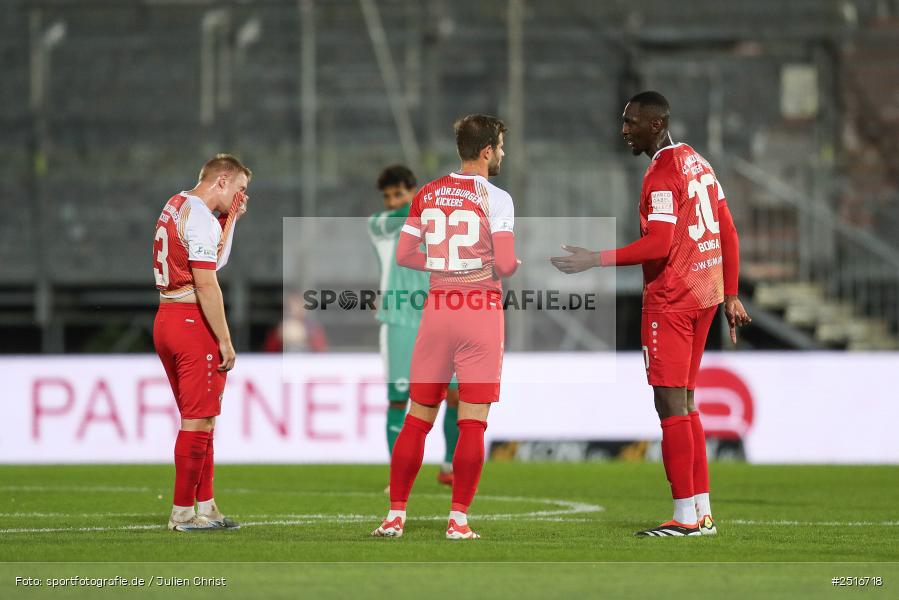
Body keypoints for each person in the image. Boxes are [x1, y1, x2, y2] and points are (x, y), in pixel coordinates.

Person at [550, 92, 751, 537]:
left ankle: (684, 518)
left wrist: (595, 259)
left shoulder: (662, 173)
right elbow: (728, 230)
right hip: (705, 294)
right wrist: (731, 294)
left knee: (670, 405)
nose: (624, 130)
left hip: (672, 299)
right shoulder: (697, 161)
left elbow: (659, 245)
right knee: (687, 403)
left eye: (632, 122)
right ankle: (702, 512)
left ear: (656, 124)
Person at [372, 115, 519, 540]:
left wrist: (445, 263)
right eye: (501, 146)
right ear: (487, 150)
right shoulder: (497, 198)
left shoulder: (428, 193)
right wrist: (502, 264)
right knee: (473, 421)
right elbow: (505, 264)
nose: (502, 153)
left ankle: (395, 515)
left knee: (417, 417)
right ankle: (458, 521)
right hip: (479, 310)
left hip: (437, 309)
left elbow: (405, 254)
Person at [152, 154, 250, 532]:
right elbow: (207, 282)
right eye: (239, 189)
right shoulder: (202, 218)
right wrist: (225, 339)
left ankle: (207, 506)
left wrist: (231, 219)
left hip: (167, 318)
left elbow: (211, 257)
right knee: (197, 421)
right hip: (191, 321)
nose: (241, 197)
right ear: (222, 181)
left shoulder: (177, 203)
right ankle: (182, 512)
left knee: (203, 418)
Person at [367, 165, 460, 489]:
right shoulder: (379, 224)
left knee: (456, 394)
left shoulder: (434, 223)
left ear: (411, 191)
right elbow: (407, 214)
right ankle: (399, 475)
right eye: (387, 196)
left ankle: (449, 465)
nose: (392, 201)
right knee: (399, 399)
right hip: (398, 320)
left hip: (438, 318)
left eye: (399, 194)